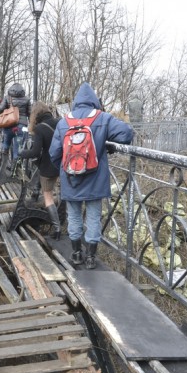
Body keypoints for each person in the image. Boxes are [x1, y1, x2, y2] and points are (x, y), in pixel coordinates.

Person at [49, 82, 134, 269]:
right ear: (94, 101)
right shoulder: (102, 118)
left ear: (76, 102)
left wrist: (66, 171)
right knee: (94, 217)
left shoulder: (64, 122)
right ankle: (91, 258)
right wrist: (105, 142)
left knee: (74, 216)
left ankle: (77, 253)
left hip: (71, 180)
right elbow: (127, 134)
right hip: (96, 179)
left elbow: (54, 153)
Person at [18, 101, 61, 239]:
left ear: (35, 115)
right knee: (59, 192)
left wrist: (22, 152)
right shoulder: (60, 123)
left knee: (48, 196)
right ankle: (35, 192)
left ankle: (57, 228)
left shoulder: (39, 129)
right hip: (63, 165)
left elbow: (35, 153)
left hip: (48, 168)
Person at [0, 83, 31, 161]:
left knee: (6, 141)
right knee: (18, 146)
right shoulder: (27, 99)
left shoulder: (7, 98)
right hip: (21, 125)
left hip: (9, 124)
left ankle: (4, 152)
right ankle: (16, 165)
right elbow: (30, 113)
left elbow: (0, 110)